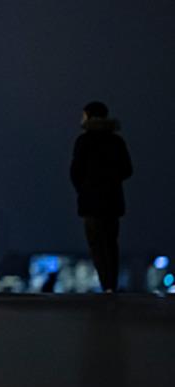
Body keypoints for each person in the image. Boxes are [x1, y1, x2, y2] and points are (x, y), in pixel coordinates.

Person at [70, 101, 132, 293]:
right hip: (112, 202)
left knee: (96, 245)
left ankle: (105, 284)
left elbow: (75, 172)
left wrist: (85, 188)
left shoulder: (84, 141)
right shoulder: (116, 142)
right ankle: (111, 284)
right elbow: (127, 170)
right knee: (111, 243)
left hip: (91, 202)